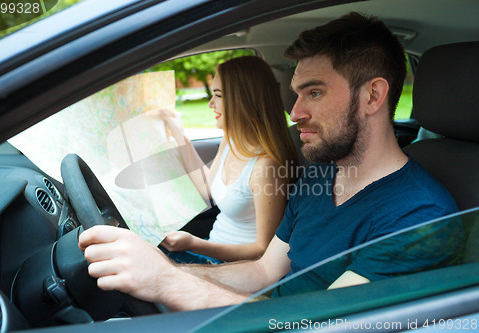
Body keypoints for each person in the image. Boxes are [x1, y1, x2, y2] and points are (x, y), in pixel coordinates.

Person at [78, 12, 459, 312]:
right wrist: (165, 269)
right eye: (296, 93)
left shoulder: (421, 217)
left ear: (373, 96)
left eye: (314, 91)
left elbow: (318, 324)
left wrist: (167, 282)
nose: (294, 112)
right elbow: (265, 270)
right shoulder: (320, 176)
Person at [159, 56, 298, 263]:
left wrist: (193, 243)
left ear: (243, 99)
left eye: (218, 95)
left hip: (234, 266)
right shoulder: (230, 140)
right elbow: (207, 189)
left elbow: (263, 249)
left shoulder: (266, 166)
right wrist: (179, 135)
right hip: (210, 250)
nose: (210, 103)